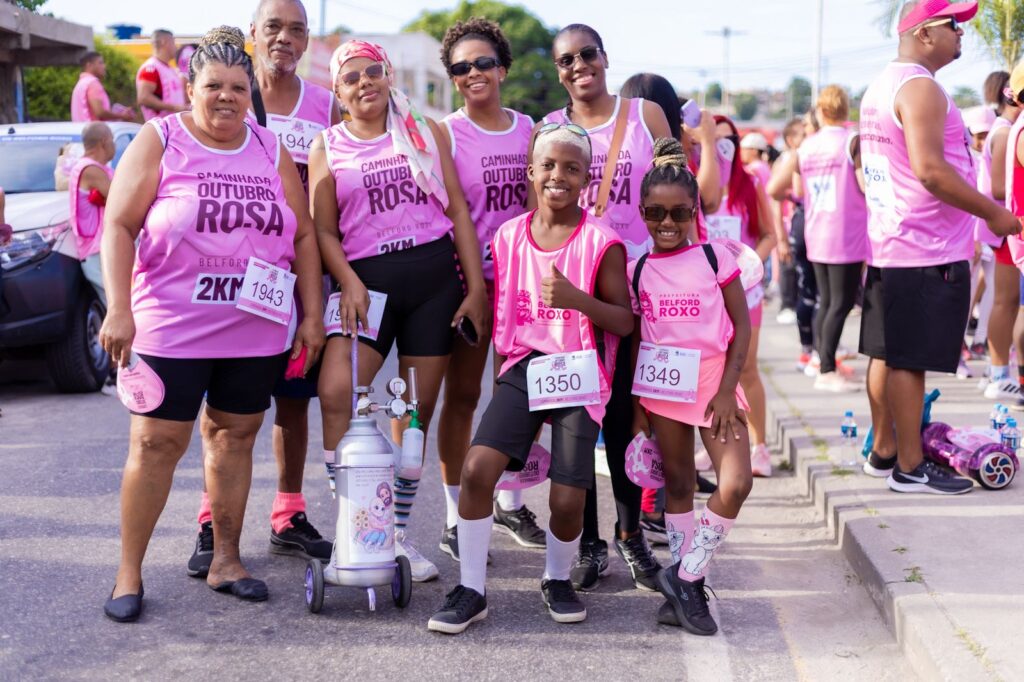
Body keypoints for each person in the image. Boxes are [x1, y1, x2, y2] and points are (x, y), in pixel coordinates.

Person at [99, 26, 325, 622]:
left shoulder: (266, 147)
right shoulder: (160, 139)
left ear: (249, 91)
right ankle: (129, 573)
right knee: (156, 444)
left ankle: (227, 559)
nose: (226, 97)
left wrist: (311, 315)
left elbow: (302, 235)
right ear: (190, 88)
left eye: (236, 87)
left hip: (254, 326)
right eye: (213, 86)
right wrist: (118, 308)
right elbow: (118, 226)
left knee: (235, 437)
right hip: (171, 325)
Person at [426, 124, 633, 634]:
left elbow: (625, 322)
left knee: (567, 498)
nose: (557, 176)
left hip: (579, 374)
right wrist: (502, 386)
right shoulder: (509, 236)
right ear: (531, 172)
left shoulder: (602, 243)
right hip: (523, 370)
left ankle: (556, 577)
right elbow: (504, 321)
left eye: (570, 168)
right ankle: (471, 589)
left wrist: (578, 301)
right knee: (478, 468)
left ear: (587, 178)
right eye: (548, 166)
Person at [311, 40, 488, 583]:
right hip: (367, 282)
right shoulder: (327, 145)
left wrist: (475, 289)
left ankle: (394, 533)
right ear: (339, 93)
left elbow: (457, 208)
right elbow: (322, 230)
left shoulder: (424, 131)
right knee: (337, 392)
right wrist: (349, 282)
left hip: (433, 280)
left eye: (374, 72)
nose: (365, 83)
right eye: (352, 78)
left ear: (387, 76)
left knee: (414, 412)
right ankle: (352, 525)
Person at [185, 0, 343, 580]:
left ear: (307, 40)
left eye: (296, 28)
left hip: (298, 278)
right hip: (229, 282)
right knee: (222, 413)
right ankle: (210, 520)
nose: (284, 37)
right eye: (272, 26)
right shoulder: (226, 95)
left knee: (292, 401)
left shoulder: (327, 106)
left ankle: (288, 514)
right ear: (253, 34)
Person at [858, 1, 1019, 491]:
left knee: (886, 354)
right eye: (954, 25)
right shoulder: (920, 88)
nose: (961, 35)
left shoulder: (881, 85)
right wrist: (993, 212)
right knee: (908, 360)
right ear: (925, 33)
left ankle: (884, 451)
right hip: (925, 246)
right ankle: (910, 466)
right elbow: (930, 171)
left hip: (893, 242)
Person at [539, 23, 671, 593]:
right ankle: (590, 543)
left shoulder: (645, 117)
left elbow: (677, 194)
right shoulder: (549, 130)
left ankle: (632, 535)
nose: (578, 67)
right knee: (576, 419)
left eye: (586, 55)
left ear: (605, 57)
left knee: (623, 417)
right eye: (566, 61)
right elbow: (540, 218)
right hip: (574, 294)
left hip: (638, 291)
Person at [630, 137, 752, 635]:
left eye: (679, 214)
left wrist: (727, 390)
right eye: (656, 213)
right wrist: (639, 410)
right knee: (678, 487)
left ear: (693, 211)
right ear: (641, 211)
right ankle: (687, 594)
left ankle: (684, 576)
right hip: (662, 390)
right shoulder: (638, 267)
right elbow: (640, 338)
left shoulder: (714, 258)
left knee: (736, 483)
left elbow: (741, 326)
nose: (667, 224)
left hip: (714, 385)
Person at [434, 18, 546, 557]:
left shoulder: (531, 128)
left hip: (524, 286)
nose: (473, 73)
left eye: (482, 63)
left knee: (523, 399)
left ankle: (509, 500)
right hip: (468, 285)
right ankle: (457, 513)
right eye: (461, 67)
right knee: (463, 397)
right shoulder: (445, 133)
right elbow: (446, 214)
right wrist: (473, 287)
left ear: (502, 67)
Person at [618, 71, 720, 544]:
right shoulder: (668, 148)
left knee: (649, 410)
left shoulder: (633, 141)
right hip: (661, 279)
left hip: (629, 274)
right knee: (659, 410)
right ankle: (656, 511)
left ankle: (652, 510)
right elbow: (710, 202)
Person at [770, 85, 867, 393]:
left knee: (827, 301)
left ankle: (821, 362)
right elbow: (866, 186)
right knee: (839, 302)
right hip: (846, 232)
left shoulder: (806, 147)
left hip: (815, 230)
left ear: (821, 112)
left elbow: (779, 189)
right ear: (845, 109)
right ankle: (826, 368)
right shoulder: (852, 141)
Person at [707, 115, 777, 477]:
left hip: (744, 296)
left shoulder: (749, 184)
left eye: (728, 140)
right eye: (713, 139)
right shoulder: (698, 187)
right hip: (706, 298)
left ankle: (760, 445)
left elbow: (768, 234)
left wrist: (751, 265)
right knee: (712, 373)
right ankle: (715, 443)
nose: (722, 147)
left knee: (747, 367)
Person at [972, 73, 1022, 402]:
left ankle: (998, 372)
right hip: (1009, 226)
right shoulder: (1005, 133)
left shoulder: (1005, 130)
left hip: (1005, 226)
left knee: (1005, 303)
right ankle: (1001, 372)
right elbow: (998, 187)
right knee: (1008, 304)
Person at [68, 122, 115, 305]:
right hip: (98, 251)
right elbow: (122, 199)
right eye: (112, 140)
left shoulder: (91, 168)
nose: (114, 145)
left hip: (99, 250)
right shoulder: (90, 170)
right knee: (118, 308)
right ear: (104, 141)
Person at [136, 29, 188, 121]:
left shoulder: (170, 69)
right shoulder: (151, 68)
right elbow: (143, 98)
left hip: (173, 127)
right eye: (173, 42)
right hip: (160, 129)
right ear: (164, 42)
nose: (176, 47)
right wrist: (175, 108)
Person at [71, 52, 135, 123]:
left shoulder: (80, 84)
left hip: (79, 130)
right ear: (89, 65)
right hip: (94, 131)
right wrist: (121, 115)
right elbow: (99, 112)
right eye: (100, 63)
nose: (104, 66)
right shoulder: (93, 83)